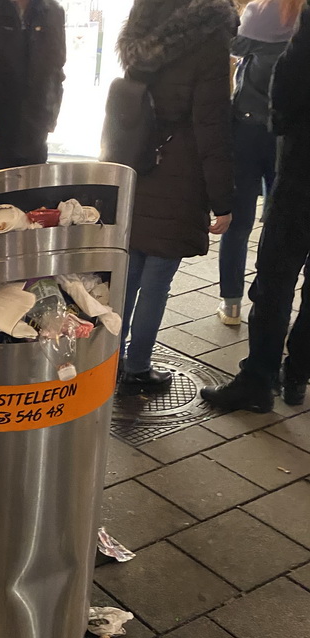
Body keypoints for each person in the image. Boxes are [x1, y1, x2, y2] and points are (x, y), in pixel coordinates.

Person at [116, 0, 236, 396]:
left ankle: (109, 360)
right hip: (181, 167)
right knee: (157, 278)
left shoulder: (142, 23)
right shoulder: (210, 36)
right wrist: (224, 199)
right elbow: (211, 124)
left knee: (128, 269)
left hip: (136, 157)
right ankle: (136, 367)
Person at [203, 2, 310, 411]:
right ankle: (298, 372)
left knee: (276, 277)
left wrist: (284, 127)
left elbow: (290, 79)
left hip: (302, 168)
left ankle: (259, 380)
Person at [217, 0, 302, 326]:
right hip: (288, 135)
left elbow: (233, 45)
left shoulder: (258, 11)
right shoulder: (303, 16)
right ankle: (270, 302)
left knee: (237, 223)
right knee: (279, 222)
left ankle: (232, 304)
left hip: (248, 131)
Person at [0, 0, 66, 169]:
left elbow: (56, 70)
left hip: (35, 135)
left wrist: (50, 116)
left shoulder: (54, 12)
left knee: (33, 192)